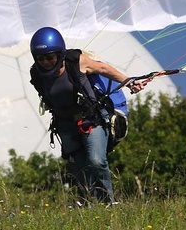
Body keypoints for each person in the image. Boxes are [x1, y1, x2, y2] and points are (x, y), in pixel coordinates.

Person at [29, 27, 145, 204]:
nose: (45, 61)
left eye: (50, 57)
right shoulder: (36, 74)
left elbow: (103, 69)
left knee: (96, 161)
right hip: (65, 124)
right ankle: (86, 203)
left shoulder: (76, 61)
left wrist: (128, 81)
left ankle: (108, 202)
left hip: (90, 119)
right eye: (40, 58)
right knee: (77, 167)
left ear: (59, 54)